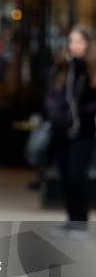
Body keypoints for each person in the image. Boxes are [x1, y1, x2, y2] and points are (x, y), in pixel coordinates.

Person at [46, 26, 96, 236]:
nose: (75, 46)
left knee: (77, 176)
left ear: (88, 44)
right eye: (72, 41)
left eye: (79, 42)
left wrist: (85, 112)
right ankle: (71, 219)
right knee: (65, 176)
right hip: (62, 131)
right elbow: (53, 94)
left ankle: (80, 221)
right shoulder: (63, 67)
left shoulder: (90, 69)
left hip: (83, 133)